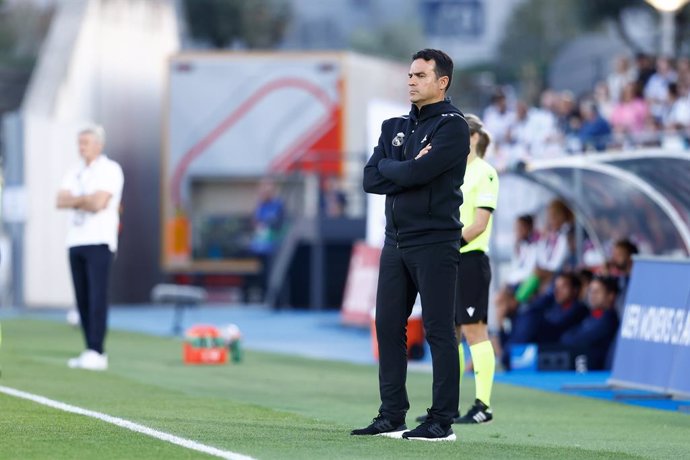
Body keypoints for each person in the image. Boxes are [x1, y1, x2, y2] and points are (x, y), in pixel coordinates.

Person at [352, 49, 469, 441]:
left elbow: (419, 171)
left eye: (420, 75)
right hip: (395, 242)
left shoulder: (453, 127)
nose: (411, 81)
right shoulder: (393, 126)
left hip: (435, 242)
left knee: (438, 330)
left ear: (442, 82)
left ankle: (441, 420)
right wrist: (401, 169)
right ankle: (392, 414)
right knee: (387, 324)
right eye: (410, 75)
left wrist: (395, 168)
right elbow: (370, 179)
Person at [56, 124, 124, 371]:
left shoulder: (110, 169)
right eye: (79, 142)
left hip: (99, 239)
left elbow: (99, 203)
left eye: (85, 142)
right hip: (75, 239)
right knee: (82, 297)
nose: (81, 147)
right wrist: (85, 199)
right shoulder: (74, 171)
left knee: (97, 295)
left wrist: (79, 200)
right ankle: (88, 348)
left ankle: (98, 350)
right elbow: (60, 199)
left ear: (99, 144)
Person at [449, 114, 499, 424]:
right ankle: (448, 404)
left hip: (470, 259)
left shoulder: (485, 173)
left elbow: (479, 224)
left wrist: (448, 243)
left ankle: (483, 405)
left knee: (473, 330)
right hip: (451, 259)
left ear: (475, 138)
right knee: (448, 332)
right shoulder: (455, 172)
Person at [560, 276, 620, 370]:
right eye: (591, 291)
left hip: (597, 373)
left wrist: (573, 338)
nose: (592, 295)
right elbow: (566, 336)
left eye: (597, 292)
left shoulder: (608, 320)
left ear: (611, 296)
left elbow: (578, 341)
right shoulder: (592, 316)